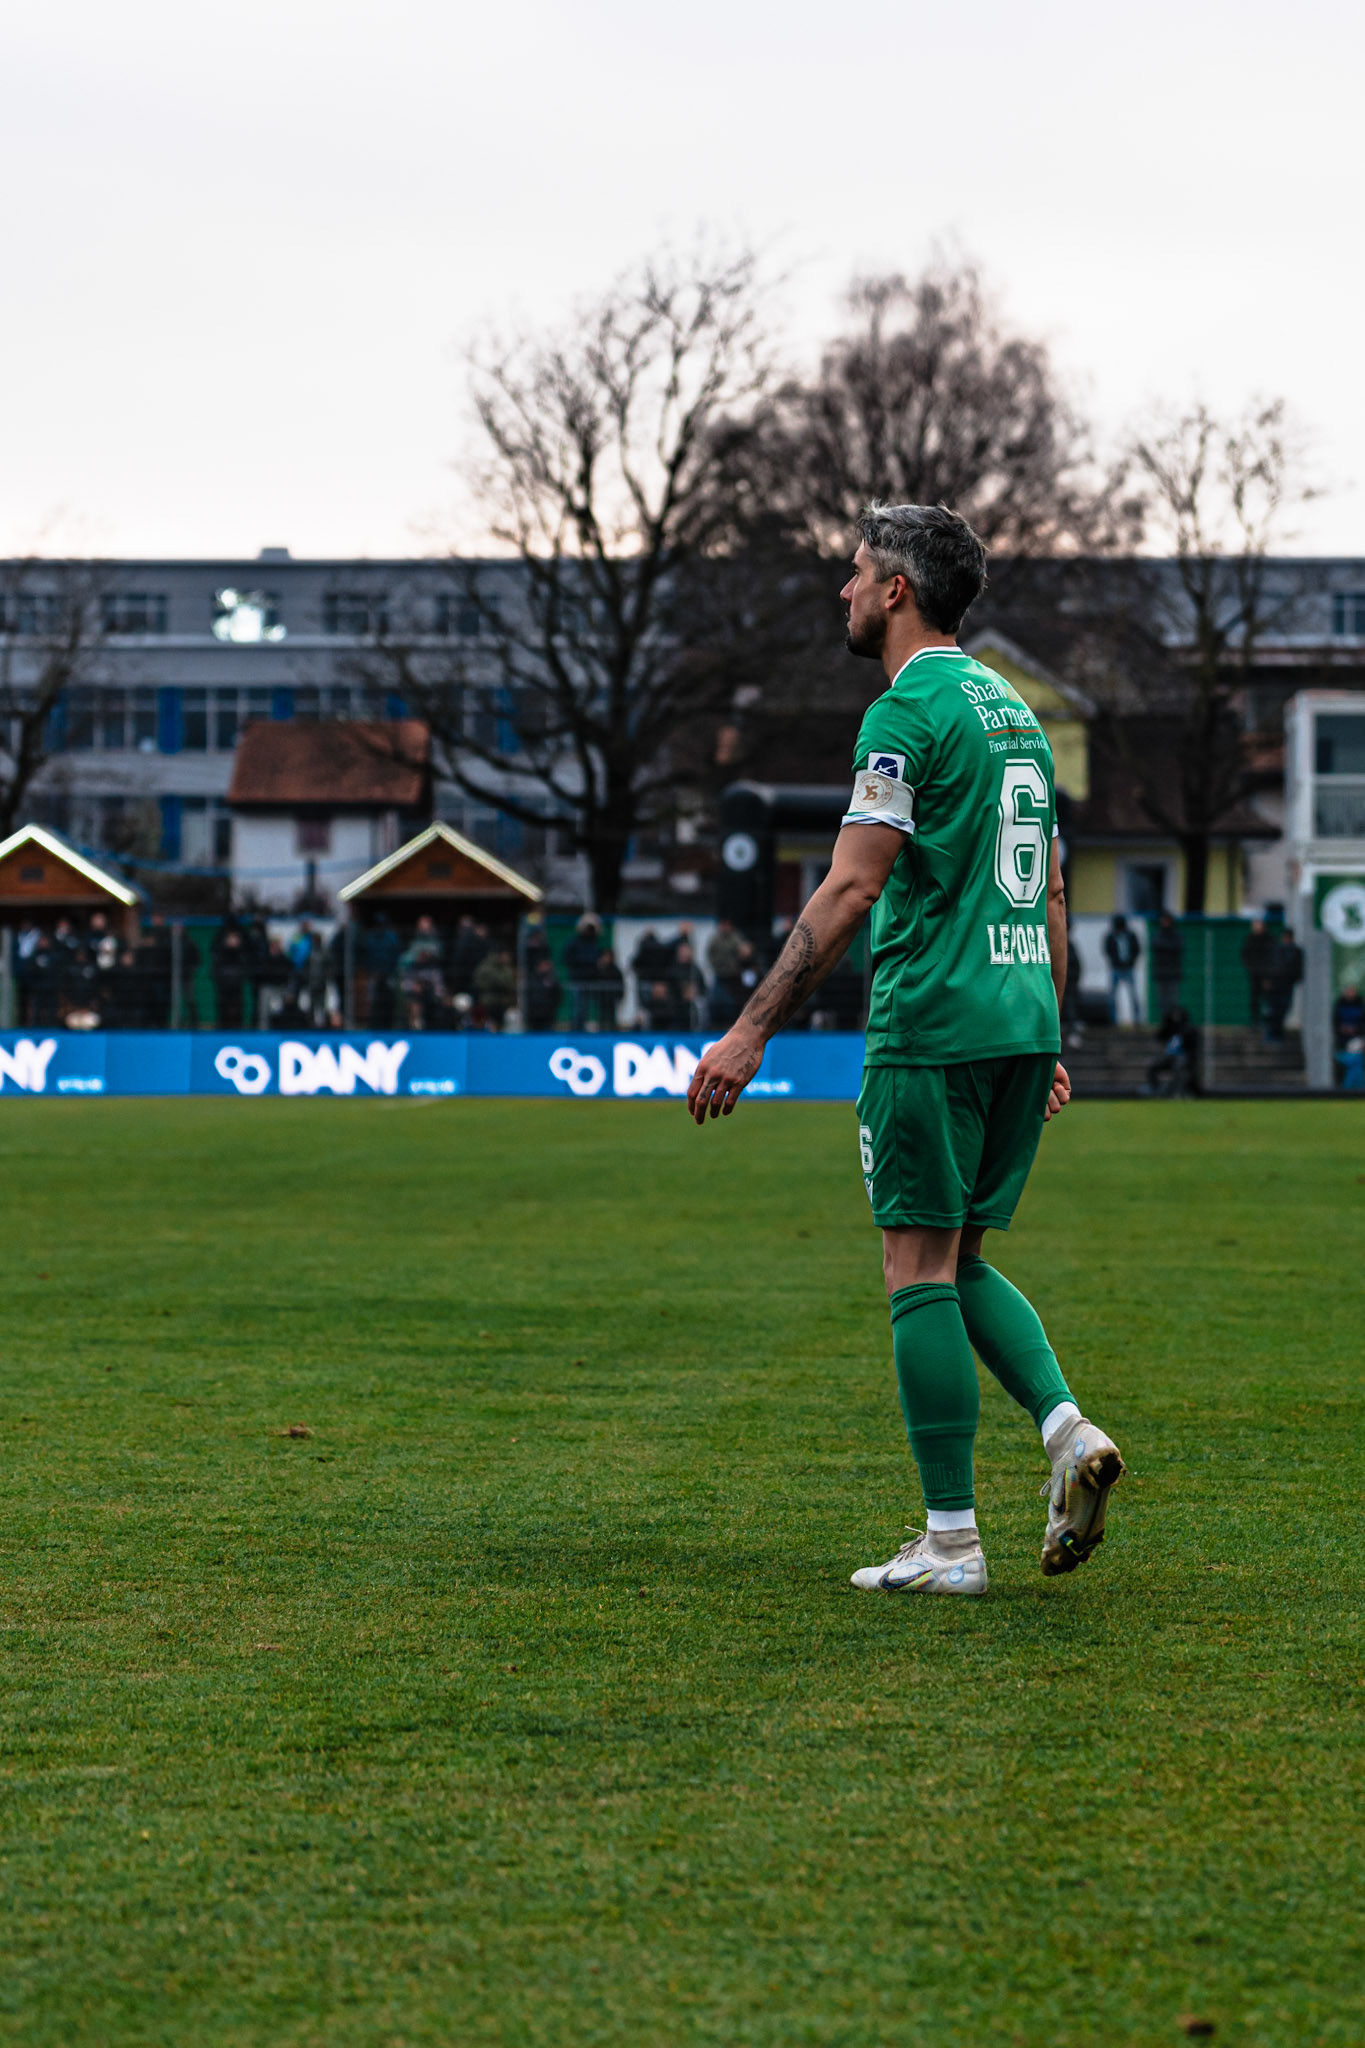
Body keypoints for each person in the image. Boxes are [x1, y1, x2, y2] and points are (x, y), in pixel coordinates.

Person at [688, 501, 1124, 1598]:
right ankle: (1067, 1430)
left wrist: (750, 1028)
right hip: (1020, 1017)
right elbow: (1056, 884)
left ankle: (950, 1543)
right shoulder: (1014, 709)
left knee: (914, 1269)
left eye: (854, 570)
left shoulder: (910, 706)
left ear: (897, 590)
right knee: (962, 1258)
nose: (842, 587)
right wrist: (1049, 1027)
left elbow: (852, 882)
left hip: (932, 1020)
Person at [1143, 1004, 1201, 1097]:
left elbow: (1193, 1047)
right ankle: (1155, 1088)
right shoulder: (1169, 1028)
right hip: (1169, 1056)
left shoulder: (1189, 1029)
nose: (1176, 1017)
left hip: (1182, 1056)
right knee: (1152, 1065)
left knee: (1179, 1066)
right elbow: (1159, 1036)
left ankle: (1177, 1091)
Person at [1263, 927, 1303, 1044]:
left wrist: (1296, 978)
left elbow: (1299, 968)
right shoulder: (1275, 950)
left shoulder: (1296, 951)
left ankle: (1278, 1033)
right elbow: (1268, 966)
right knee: (1273, 1010)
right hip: (1275, 985)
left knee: (1284, 1009)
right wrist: (1267, 979)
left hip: (1287, 985)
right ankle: (1271, 1033)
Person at [564, 914, 604, 1030]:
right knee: (579, 1008)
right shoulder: (574, 943)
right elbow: (567, 959)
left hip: (593, 979)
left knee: (591, 1008)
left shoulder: (595, 943)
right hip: (578, 980)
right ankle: (577, 1030)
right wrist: (590, 962)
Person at [1103, 913, 1142, 1025]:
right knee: (1112, 997)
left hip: (1128, 969)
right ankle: (1112, 1020)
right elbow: (1108, 950)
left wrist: (1131, 962)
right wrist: (1115, 962)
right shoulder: (1111, 936)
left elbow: (1137, 949)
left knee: (1133, 995)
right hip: (1116, 968)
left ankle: (1137, 1020)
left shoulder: (1131, 935)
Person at [1240, 918, 1274, 1035]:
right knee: (1254, 999)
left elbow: (1271, 958)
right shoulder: (1250, 939)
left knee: (1268, 1000)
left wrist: (1268, 975)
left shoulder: (1269, 940)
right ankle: (1255, 1021)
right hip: (1254, 975)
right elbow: (1245, 955)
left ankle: (1268, 1023)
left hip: (1266, 975)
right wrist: (1252, 969)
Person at [472, 946, 517, 1029]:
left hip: (503, 1001)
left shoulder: (506, 968)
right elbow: (478, 982)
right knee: (488, 1023)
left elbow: (510, 983)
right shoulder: (485, 967)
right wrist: (492, 985)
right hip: (488, 1000)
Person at [1150, 911, 1183, 1018]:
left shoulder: (1177, 934)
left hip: (1173, 973)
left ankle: (1174, 1025)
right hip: (1161, 973)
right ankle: (1165, 1023)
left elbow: (1177, 947)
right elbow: (1155, 946)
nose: (1164, 922)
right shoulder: (1157, 934)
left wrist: (1165, 947)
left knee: (1173, 1001)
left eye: (1166, 920)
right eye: (1162, 920)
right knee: (1162, 1002)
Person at [525, 954, 563, 1032]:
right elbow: (529, 995)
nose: (544, 967)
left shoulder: (553, 979)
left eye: (546, 965)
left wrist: (552, 1007)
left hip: (548, 1014)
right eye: (542, 965)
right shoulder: (532, 978)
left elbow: (558, 995)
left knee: (547, 1035)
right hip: (534, 1014)